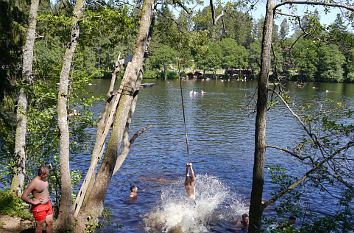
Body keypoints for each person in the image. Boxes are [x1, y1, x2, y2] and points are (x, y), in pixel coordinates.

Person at [21, 165, 53, 233]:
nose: (47, 176)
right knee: (40, 226)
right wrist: (33, 202)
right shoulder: (34, 183)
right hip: (39, 207)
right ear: (41, 174)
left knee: (49, 222)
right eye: (46, 174)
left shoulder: (44, 178)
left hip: (48, 204)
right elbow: (24, 196)